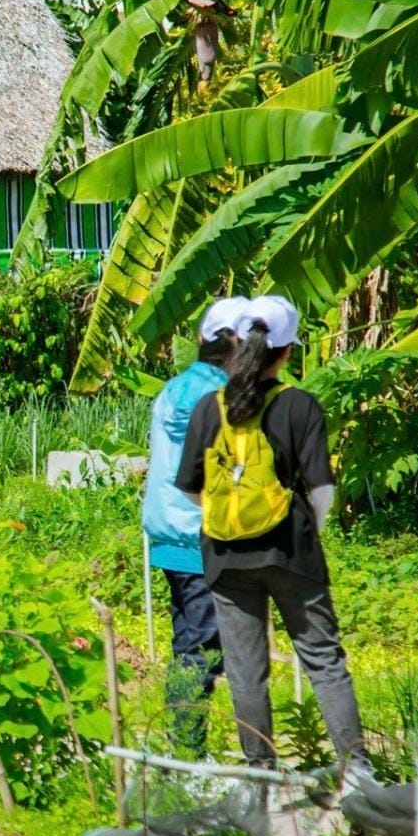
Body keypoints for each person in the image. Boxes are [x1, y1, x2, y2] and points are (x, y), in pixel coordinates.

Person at [174, 295, 371, 781]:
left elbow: (191, 488)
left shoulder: (208, 408)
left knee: (245, 671)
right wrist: (302, 533)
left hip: (223, 555)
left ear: (238, 343)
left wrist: (231, 520)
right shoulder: (299, 406)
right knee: (323, 661)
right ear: (287, 351)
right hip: (290, 553)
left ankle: (261, 772)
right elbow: (322, 489)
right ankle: (356, 771)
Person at [144, 296, 247, 758]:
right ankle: (186, 754)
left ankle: (184, 749)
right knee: (201, 649)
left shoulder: (176, 388)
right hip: (198, 537)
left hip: (171, 536)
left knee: (190, 642)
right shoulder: (215, 397)